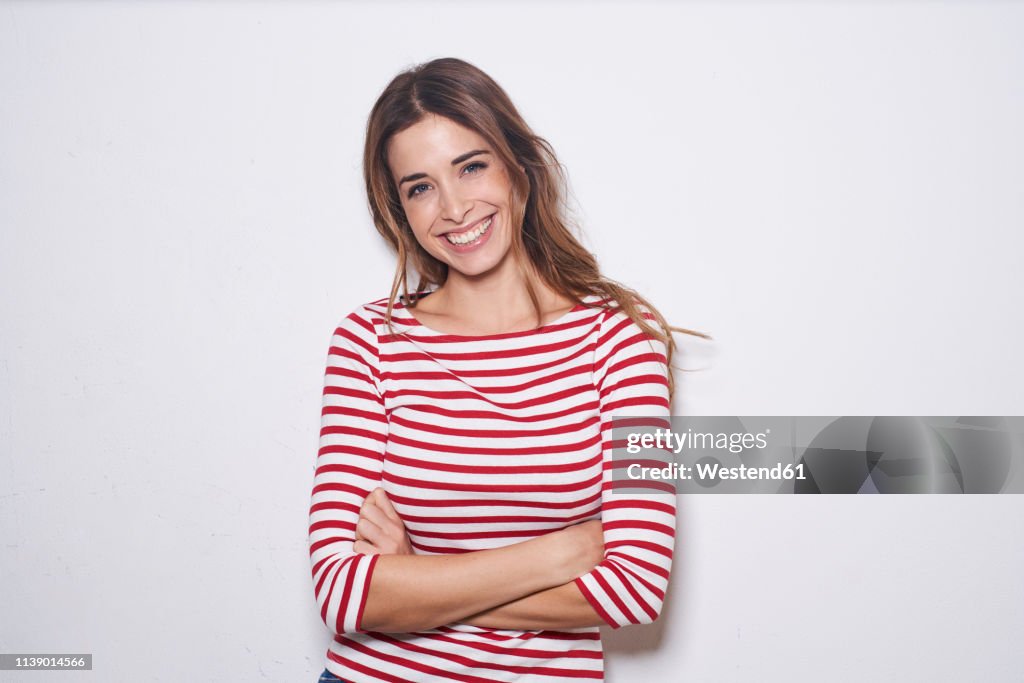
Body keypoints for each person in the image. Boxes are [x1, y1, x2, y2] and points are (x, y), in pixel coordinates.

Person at [309, 57, 695, 683]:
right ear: (399, 208)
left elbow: (636, 588)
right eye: (420, 186)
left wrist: (415, 586)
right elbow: (343, 595)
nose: (454, 207)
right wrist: (561, 552)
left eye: (471, 166)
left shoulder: (619, 339)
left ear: (519, 167)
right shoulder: (368, 342)